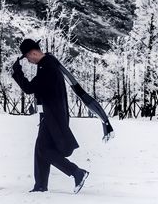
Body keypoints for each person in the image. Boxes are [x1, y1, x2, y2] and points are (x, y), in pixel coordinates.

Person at [12, 38, 113, 194]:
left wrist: (17, 72)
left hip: (54, 116)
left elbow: (29, 88)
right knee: (40, 148)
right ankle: (40, 185)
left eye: (27, 57)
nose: (28, 61)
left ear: (33, 53)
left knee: (44, 150)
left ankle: (77, 172)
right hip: (52, 114)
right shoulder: (48, 63)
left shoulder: (48, 67)